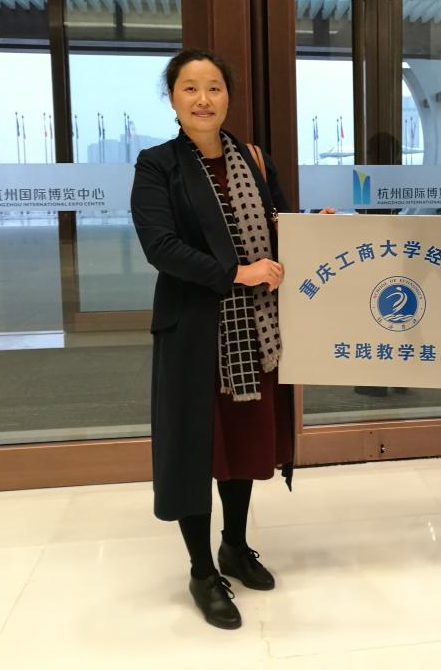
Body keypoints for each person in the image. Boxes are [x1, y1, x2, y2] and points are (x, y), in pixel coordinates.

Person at [131, 49, 329, 630]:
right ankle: (201, 571)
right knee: (197, 449)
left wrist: (316, 229)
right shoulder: (158, 164)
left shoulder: (253, 159)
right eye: (189, 88)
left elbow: (279, 225)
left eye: (214, 87)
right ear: (172, 98)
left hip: (254, 331)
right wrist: (236, 273)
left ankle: (235, 547)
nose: (203, 99)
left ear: (229, 96)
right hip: (195, 333)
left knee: (241, 443)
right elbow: (160, 247)